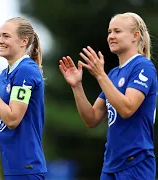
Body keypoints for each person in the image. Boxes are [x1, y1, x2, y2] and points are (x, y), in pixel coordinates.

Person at [59, 12, 156, 180]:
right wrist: (77, 86)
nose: (111, 36)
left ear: (135, 35)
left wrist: (100, 75)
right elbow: (92, 118)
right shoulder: (113, 74)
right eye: (109, 32)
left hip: (135, 163)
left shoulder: (142, 66)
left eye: (117, 31)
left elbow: (127, 108)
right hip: (111, 164)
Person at [0, 17, 47, 180]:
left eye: (6, 36)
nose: (0, 41)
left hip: (24, 167)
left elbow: (13, 119)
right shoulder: (2, 76)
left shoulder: (26, 71)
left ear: (24, 41)